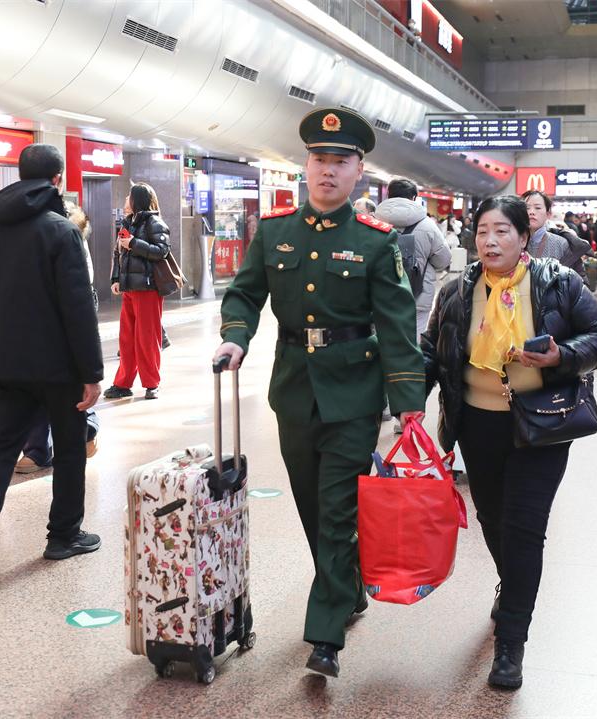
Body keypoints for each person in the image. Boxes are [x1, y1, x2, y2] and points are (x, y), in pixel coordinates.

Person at [213, 107, 425, 678]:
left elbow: (398, 325)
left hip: (354, 394)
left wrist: (408, 403)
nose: (328, 170)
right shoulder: (275, 231)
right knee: (312, 506)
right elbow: (245, 294)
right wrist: (236, 338)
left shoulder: (377, 242)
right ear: (305, 167)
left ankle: (325, 635)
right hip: (294, 391)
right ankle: (348, 587)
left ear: (359, 172)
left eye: (340, 161)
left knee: (336, 512)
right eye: (319, 159)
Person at [420, 195, 597, 689]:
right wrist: (407, 398)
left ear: (524, 237)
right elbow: (432, 351)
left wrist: (560, 356)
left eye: (502, 231)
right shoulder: (457, 291)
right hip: (477, 424)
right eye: (483, 231)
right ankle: (514, 583)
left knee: (524, 528)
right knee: (491, 518)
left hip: (542, 426)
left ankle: (511, 640)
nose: (491, 241)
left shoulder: (557, 282)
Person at [0, 144, 103, 590]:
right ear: (57, 179)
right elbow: (78, 308)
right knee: (69, 447)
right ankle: (64, 535)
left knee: (2, 452)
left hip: (5, 364)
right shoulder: (61, 231)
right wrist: (91, 372)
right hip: (58, 366)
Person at [15, 201, 102, 473]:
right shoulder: (24, 232)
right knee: (36, 384)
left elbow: (83, 283)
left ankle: (86, 432)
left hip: (68, 317)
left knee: (70, 383)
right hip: (33, 320)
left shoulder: (69, 232)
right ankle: (38, 449)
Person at [104, 183, 170, 401]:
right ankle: (123, 383)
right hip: (130, 289)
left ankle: (152, 383)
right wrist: (116, 279)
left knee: (147, 338)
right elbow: (118, 253)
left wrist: (134, 243)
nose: (125, 201)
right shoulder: (127, 222)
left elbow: (162, 251)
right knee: (126, 339)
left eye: (128, 197)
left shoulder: (155, 222)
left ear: (137, 200)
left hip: (148, 289)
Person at [375, 178, 451, 337]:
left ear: (389, 195)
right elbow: (443, 260)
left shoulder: (373, 222)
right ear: (414, 197)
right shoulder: (427, 225)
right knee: (415, 340)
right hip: (417, 294)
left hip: (381, 292)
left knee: (383, 337)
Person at [521, 191, 589, 278]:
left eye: (537, 208)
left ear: (548, 214)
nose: (531, 212)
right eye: (527, 208)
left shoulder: (561, 244)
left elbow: (578, 281)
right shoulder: (513, 242)